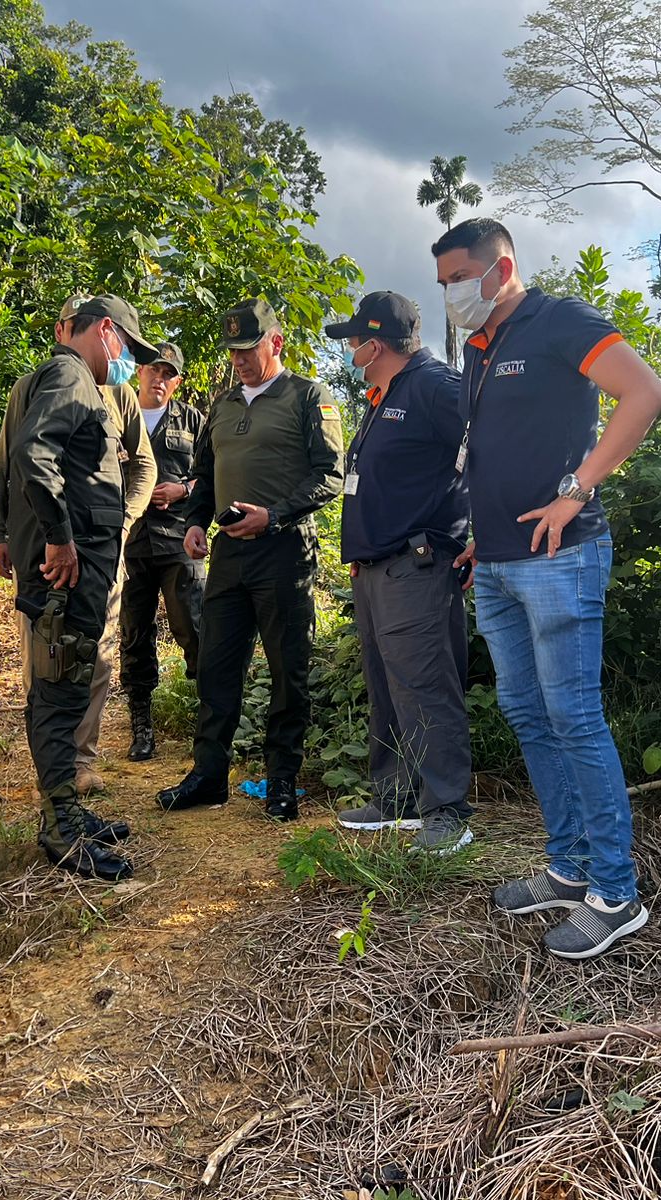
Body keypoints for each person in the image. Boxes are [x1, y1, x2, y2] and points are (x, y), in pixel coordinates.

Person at [433, 217, 661, 959]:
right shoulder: (481, 348)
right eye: (441, 284)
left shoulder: (559, 319)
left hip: (561, 556)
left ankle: (616, 892)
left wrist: (577, 489)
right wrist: (482, 535)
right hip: (499, 562)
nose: (450, 294)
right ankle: (568, 868)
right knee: (528, 715)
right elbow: (498, 451)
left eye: (458, 279)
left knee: (573, 717)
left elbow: (645, 393)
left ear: (500, 270)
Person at [158, 300, 344, 822]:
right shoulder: (221, 405)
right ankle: (209, 775)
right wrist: (195, 521)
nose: (239, 359)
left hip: (284, 553)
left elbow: (330, 475)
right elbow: (204, 473)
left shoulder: (308, 396)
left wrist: (276, 514)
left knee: (289, 669)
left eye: (248, 349)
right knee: (216, 668)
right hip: (228, 556)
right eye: (233, 351)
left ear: (275, 343)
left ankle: (282, 779)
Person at [3, 295, 161, 880]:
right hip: (66, 576)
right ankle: (60, 825)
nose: (128, 363)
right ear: (104, 331)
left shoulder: (84, 384)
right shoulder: (68, 374)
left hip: (83, 573)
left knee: (67, 687)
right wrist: (61, 538)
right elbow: (30, 454)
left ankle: (66, 804)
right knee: (59, 689)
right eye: (127, 347)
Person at [324, 291, 474, 852]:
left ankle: (447, 812)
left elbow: (488, 441)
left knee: (426, 688)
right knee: (389, 689)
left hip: (417, 565)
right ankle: (396, 800)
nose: (349, 350)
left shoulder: (435, 385)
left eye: (353, 341)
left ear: (376, 342)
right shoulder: (384, 393)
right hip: (375, 571)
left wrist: (483, 528)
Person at [119, 341, 206, 761]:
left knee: (194, 628)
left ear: (178, 381)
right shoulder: (116, 414)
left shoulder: (193, 421)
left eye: (169, 373)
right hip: (128, 542)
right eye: (154, 369)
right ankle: (141, 726)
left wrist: (183, 488)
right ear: (140, 371)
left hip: (178, 542)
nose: (160, 378)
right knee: (134, 633)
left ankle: (211, 724)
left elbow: (212, 475)